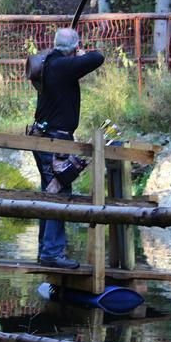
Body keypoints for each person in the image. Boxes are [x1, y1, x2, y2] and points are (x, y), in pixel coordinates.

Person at [30, 27, 104, 269]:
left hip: (45, 137)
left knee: (50, 192)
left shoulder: (50, 61)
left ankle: (46, 251)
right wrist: (79, 53)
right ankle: (52, 253)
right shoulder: (62, 66)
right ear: (73, 48)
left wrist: (73, 53)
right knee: (58, 192)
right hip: (55, 141)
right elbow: (97, 57)